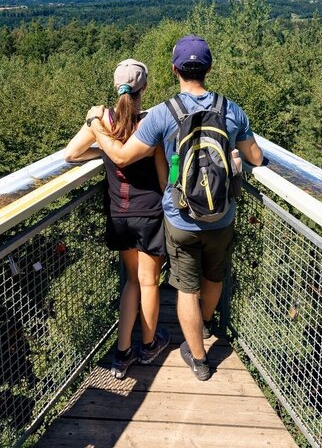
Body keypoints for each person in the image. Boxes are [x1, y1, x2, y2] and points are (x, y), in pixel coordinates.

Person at [87, 36, 263, 380]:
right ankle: (208, 322)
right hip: (222, 215)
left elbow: (122, 155)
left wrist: (95, 123)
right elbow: (255, 157)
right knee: (214, 276)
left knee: (185, 287)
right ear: (209, 68)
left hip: (180, 217)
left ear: (174, 70)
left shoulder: (164, 114)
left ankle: (199, 359)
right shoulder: (231, 109)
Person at [64, 58, 171, 379]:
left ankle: (122, 353)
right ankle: (149, 344)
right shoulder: (150, 123)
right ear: (145, 88)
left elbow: (71, 153)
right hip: (149, 213)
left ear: (115, 87)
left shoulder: (103, 120)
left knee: (131, 282)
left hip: (119, 214)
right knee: (149, 282)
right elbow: (164, 179)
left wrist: (103, 147)